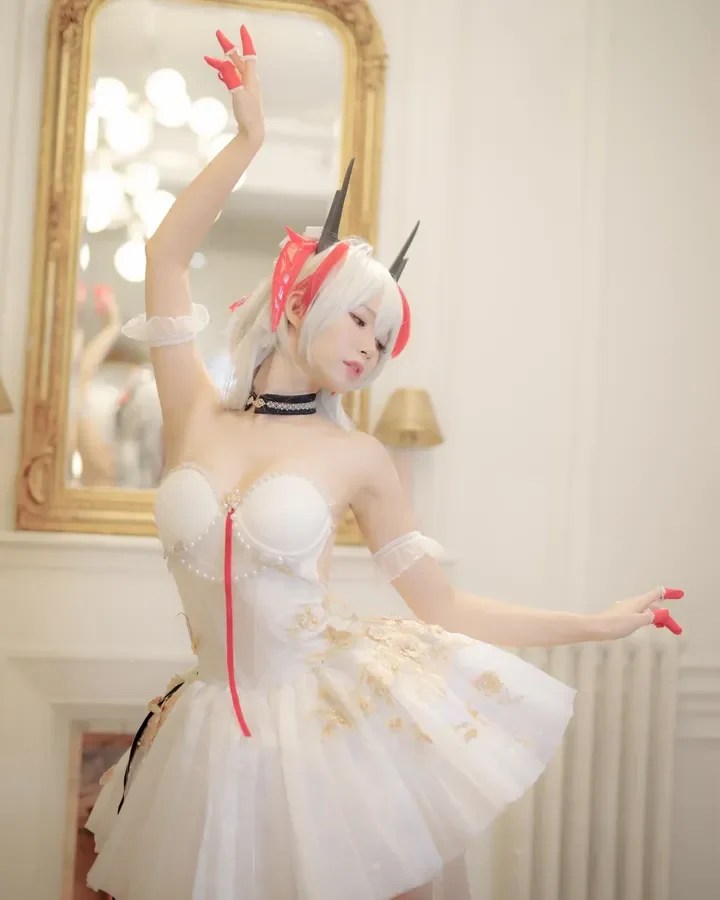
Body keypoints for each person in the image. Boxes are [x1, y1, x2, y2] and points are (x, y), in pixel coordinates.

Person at [84, 24, 684, 900]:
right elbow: (164, 255)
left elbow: (444, 606)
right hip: (203, 734)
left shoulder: (358, 457)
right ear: (300, 301)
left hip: (323, 737)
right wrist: (249, 136)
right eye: (362, 318)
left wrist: (597, 623)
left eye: (386, 335)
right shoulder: (193, 412)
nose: (373, 345)